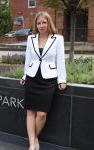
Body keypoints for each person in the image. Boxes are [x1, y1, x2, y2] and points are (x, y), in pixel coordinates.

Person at [19, 11, 67, 150]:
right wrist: (24, 76)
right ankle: (33, 144)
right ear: (36, 24)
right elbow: (28, 59)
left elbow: (60, 60)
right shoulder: (31, 39)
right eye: (39, 23)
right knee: (30, 112)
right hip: (32, 77)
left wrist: (62, 79)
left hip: (48, 79)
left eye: (44, 22)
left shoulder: (57, 39)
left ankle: (33, 138)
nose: (41, 25)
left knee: (41, 114)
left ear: (49, 23)